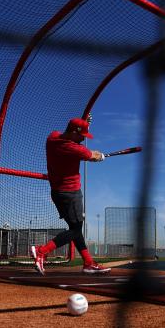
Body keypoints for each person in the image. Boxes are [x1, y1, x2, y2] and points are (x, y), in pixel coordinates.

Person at [31, 117, 110, 275]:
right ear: (73, 132)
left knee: (75, 229)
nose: (83, 139)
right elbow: (92, 155)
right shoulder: (74, 149)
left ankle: (88, 263)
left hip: (57, 192)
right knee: (75, 231)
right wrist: (100, 157)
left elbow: (79, 145)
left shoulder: (52, 137)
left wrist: (83, 122)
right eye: (81, 136)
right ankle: (42, 251)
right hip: (71, 194)